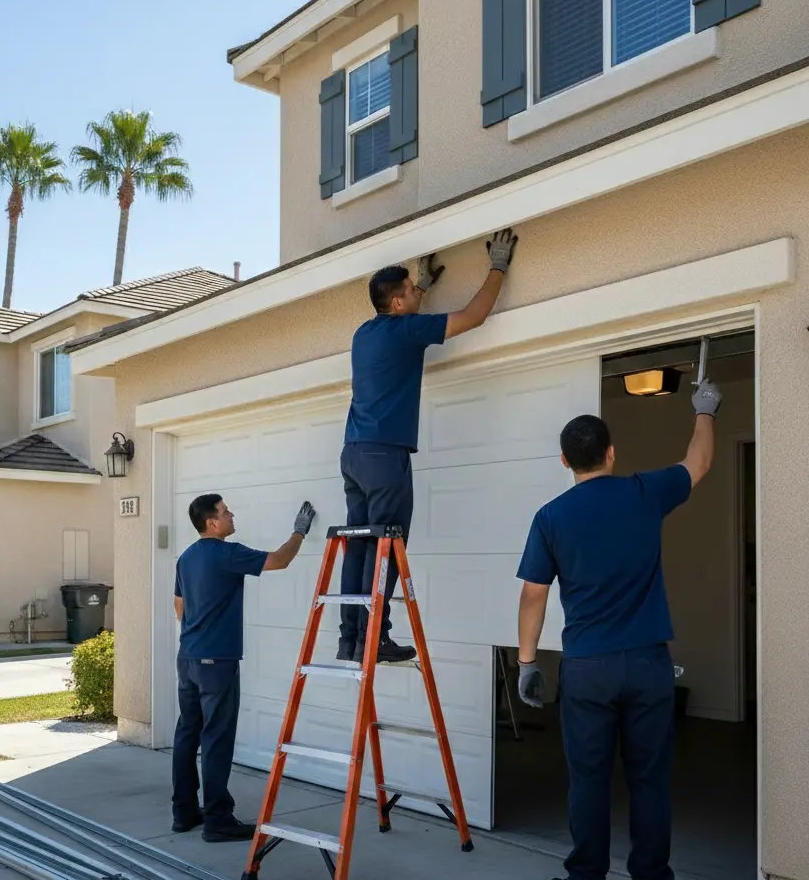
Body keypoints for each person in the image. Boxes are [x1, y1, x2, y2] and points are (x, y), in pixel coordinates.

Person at [515, 378, 723, 880]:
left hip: (587, 669)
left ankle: (587, 873)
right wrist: (705, 410)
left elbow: (534, 595)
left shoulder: (550, 517)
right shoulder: (644, 491)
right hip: (649, 664)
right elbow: (698, 464)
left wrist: (526, 664)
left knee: (587, 780)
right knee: (649, 780)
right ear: (611, 453)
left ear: (565, 462)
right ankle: (651, 874)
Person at [337, 228, 518, 664]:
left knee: (360, 546)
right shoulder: (405, 331)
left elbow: (405, 304)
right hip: (385, 456)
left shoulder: (365, 332)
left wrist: (421, 283)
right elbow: (472, 316)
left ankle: (350, 640)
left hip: (354, 455)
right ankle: (375, 638)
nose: (416, 296)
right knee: (388, 546)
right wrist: (497, 266)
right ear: (397, 303)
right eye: (409, 293)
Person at [172, 494, 317, 842]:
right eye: (225, 511)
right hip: (216, 661)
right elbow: (280, 561)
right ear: (212, 522)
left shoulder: (186, 557)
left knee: (187, 734)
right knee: (216, 738)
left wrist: (199, 633)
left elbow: (180, 606)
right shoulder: (226, 553)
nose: (232, 514)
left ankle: (184, 812)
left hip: (188, 658)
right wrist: (300, 532)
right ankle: (218, 821)